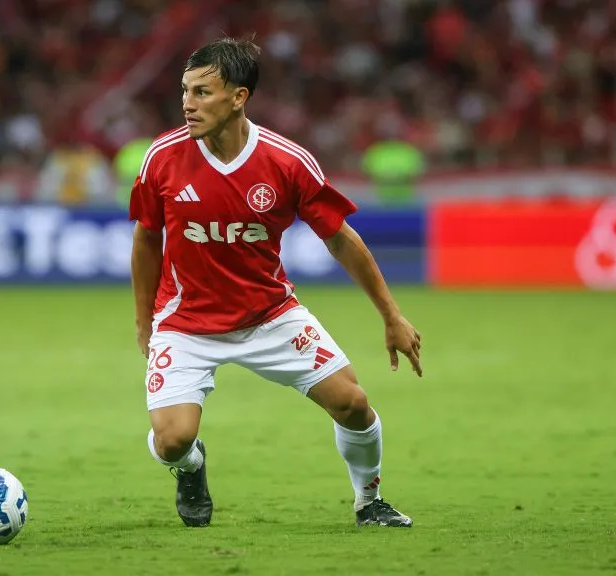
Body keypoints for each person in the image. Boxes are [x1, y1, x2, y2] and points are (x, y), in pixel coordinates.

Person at [129, 37, 422, 528]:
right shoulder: (162, 158)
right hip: (185, 322)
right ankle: (191, 466)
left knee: (353, 404)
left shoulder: (286, 162)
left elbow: (342, 240)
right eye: (185, 91)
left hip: (269, 317)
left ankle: (369, 501)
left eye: (202, 92)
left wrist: (391, 316)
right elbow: (145, 240)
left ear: (239, 97)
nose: (187, 103)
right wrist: (145, 323)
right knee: (172, 440)